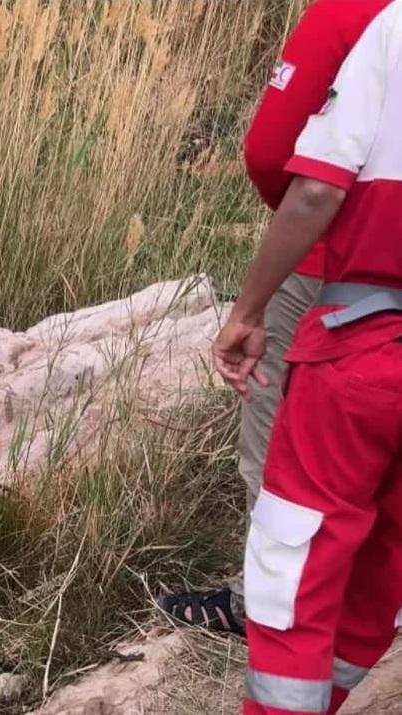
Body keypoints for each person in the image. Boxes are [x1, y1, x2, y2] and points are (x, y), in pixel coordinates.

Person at [160, 0, 392, 636]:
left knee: (280, 437)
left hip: (343, 260)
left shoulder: (353, 12)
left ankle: (261, 602)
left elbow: (272, 149)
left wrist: (254, 299)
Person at [213, 5, 402, 712]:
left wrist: (247, 309)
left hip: (364, 331)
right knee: (384, 560)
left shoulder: (379, 22)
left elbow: (303, 178)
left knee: (292, 561)